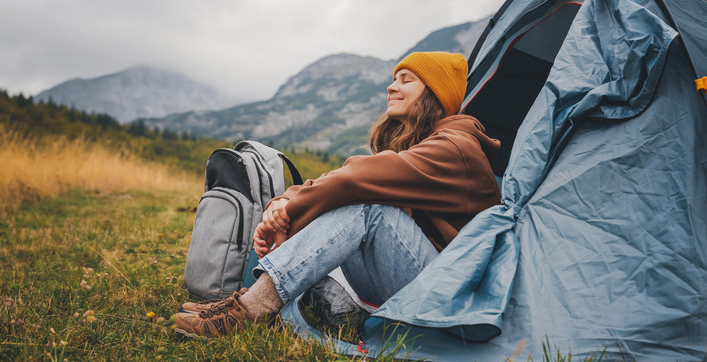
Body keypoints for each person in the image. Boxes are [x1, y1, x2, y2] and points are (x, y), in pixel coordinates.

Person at [174, 51, 501, 338]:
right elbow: (351, 179)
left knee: (368, 207)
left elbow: (357, 178)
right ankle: (254, 298)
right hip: (413, 288)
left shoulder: (456, 148)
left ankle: (252, 306)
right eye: (394, 78)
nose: (391, 86)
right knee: (359, 200)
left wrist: (289, 211)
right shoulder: (422, 146)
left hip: (452, 304)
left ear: (434, 94)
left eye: (406, 80)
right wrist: (285, 200)